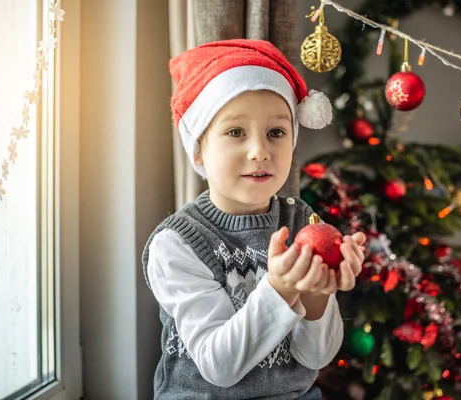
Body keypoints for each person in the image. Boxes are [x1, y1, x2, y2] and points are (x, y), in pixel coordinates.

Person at [142, 39, 366, 400]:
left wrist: (317, 294)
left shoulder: (303, 225)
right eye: (235, 132)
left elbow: (316, 356)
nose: (260, 150)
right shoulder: (177, 245)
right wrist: (280, 289)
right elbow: (219, 367)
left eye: (276, 133)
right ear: (199, 148)